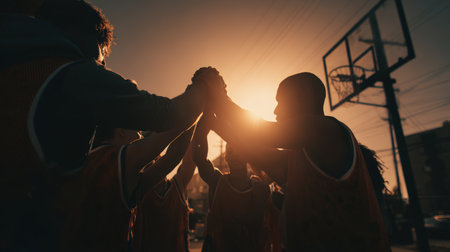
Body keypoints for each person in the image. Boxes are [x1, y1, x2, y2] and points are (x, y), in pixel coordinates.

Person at [1, 0, 224, 250]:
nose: (103, 66)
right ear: (81, 36)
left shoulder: (15, 65)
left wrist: (195, 114)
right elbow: (168, 115)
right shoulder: (73, 74)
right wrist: (203, 85)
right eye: (101, 57)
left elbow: (172, 154)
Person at [196, 70, 391, 251]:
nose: (276, 110)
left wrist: (219, 94)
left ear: (302, 98)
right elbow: (250, 149)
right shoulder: (299, 157)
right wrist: (215, 120)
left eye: (280, 101)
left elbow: (261, 132)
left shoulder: (326, 130)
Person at [59, 124, 194, 251]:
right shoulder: (111, 163)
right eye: (137, 129)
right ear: (121, 131)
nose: (140, 135)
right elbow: (171, 152)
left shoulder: (90, 165)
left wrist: (197, 115)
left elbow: (173, 156)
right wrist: (197, 106)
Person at [193, 115, 270, 252]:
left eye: (239, 151)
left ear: (247, 154)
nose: (235, 155)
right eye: (230, 152)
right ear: (226, 157)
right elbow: (199, 155)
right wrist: (206, 117)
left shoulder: (262, 189)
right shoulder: (218, 182)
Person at [132, 144, 196, 252]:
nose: (154, 163)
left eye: (157, 159)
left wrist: (198, 129)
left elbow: (192, 155)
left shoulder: (177, 186)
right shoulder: (140, 192)